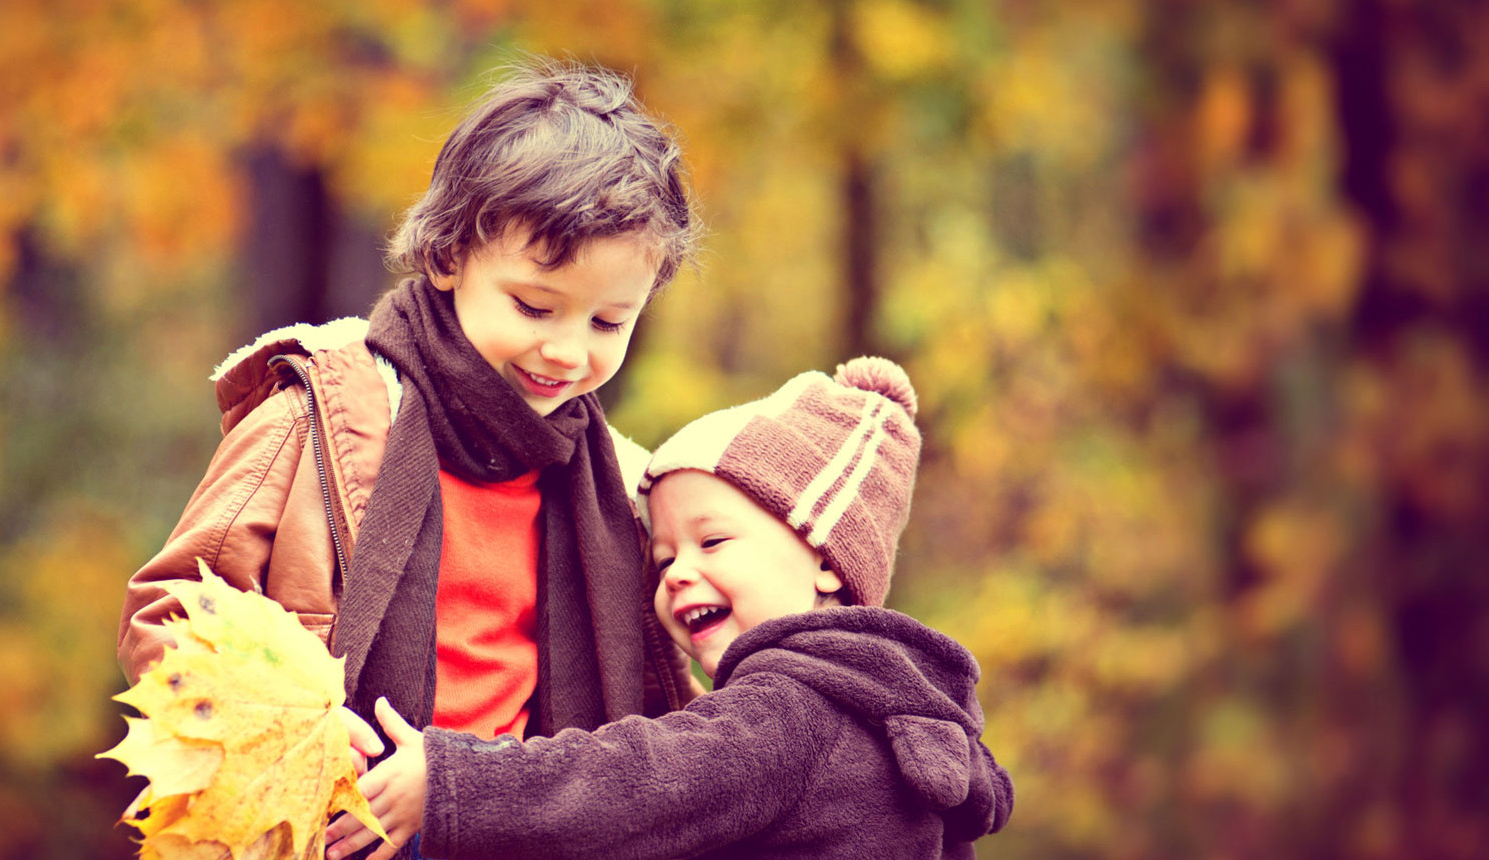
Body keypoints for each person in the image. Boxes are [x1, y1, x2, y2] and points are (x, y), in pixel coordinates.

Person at [114, 60, 704, 857]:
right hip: (341, 827)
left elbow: (685, 693)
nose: (566, 351)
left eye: (608, 323)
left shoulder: (620, 488)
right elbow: (172, 610)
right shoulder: (320, 415)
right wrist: (313, 748)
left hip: (516, 827)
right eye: (534, 306)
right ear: (448, 256)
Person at [328, 358, 1015, 860]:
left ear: (829, 563)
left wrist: (452, 785)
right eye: (662, 559)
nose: (680, 574)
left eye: (712, 540)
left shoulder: (790, 713)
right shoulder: (896, 716)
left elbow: (633, 785)